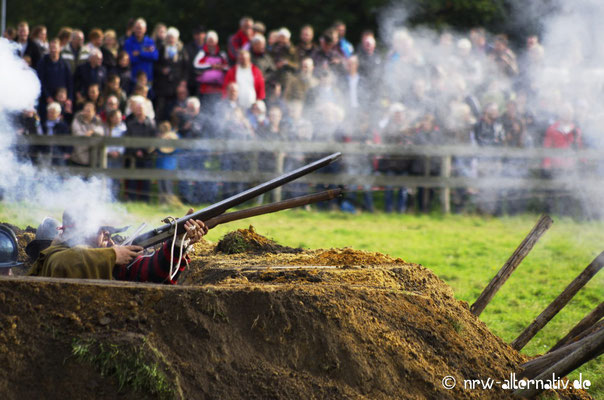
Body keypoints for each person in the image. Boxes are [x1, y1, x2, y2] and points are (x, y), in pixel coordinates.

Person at [28, 208, 208, 284]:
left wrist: (178, 242)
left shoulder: (105, 257)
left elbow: (152, 272)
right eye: (102, 229)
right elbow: (64, 263)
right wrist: (112, 255)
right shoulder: (54, 254)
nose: (108, 234)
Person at [154, 27, 188, 122]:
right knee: (161, 107)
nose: (171, 40)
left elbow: (185, 67)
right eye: (169, 37)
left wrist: (183, 82)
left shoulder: (181, 50)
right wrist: (162, 70)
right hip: (162, 85)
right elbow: (155, 65)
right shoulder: (161, 48)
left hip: (176, 85)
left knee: (173, 108)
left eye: (173, 38)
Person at [36, 38, 73, 123]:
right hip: (45, 99)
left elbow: (70, 82)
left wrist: (69, 98)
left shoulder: (65, 63)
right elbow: (40, 81)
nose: (53, 50)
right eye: (51, 48)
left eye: (55, 48)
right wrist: (48, 96)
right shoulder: (43, 62)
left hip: (62, 99)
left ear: (59, 48)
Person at [193, 30, 229, 110]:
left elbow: (227, 68)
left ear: (216, 41)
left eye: (213, 41)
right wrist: (211, 66)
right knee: (205, 109)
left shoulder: (222, 54)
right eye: (209, 41)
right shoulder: (202, 53)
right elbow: (195, 65)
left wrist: (221, 67)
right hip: (205, 89)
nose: (211, 43)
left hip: (219, 89)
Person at [123, 18, 159, 85]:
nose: (139, 30)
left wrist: (140, 54)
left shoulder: (150, 42)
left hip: (148, 78)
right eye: (137, 28)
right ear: (133, 29)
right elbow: (129, 59)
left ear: (145, 29)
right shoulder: (128, 42)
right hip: (133, 79)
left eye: (141, 28)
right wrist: (147, 56)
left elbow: (155, 56)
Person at [70, 102, 104, 166]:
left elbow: (101, 131)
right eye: (85, 110)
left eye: (89, 111)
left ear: (94, 112)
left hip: (94, 157)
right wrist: (85, 135)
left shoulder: (98, 121)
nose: (86, 113)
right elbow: (76, 132)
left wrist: (92, 131)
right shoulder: (77, 119)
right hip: (79, 155)